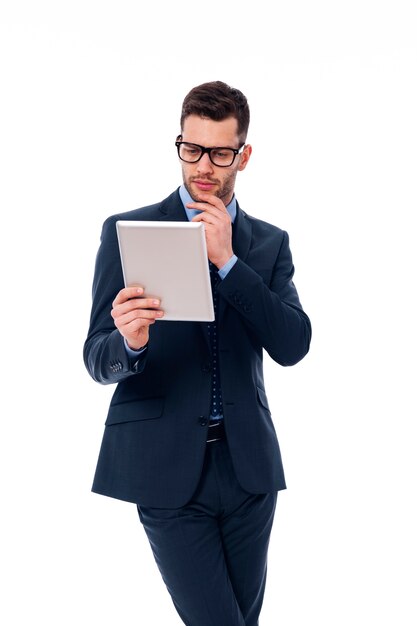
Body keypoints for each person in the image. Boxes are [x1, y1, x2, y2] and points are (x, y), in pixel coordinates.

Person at [83, 80, 311, 626]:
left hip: (248, 473)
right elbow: (96, 356)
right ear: (179, 143)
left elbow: (293, 345)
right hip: (164, 471)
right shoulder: (127, 230)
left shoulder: (268, 243)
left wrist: (231, 264)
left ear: (243, 155)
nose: (203, 166)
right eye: (191, 149)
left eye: (219, 152)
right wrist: (129, 342)